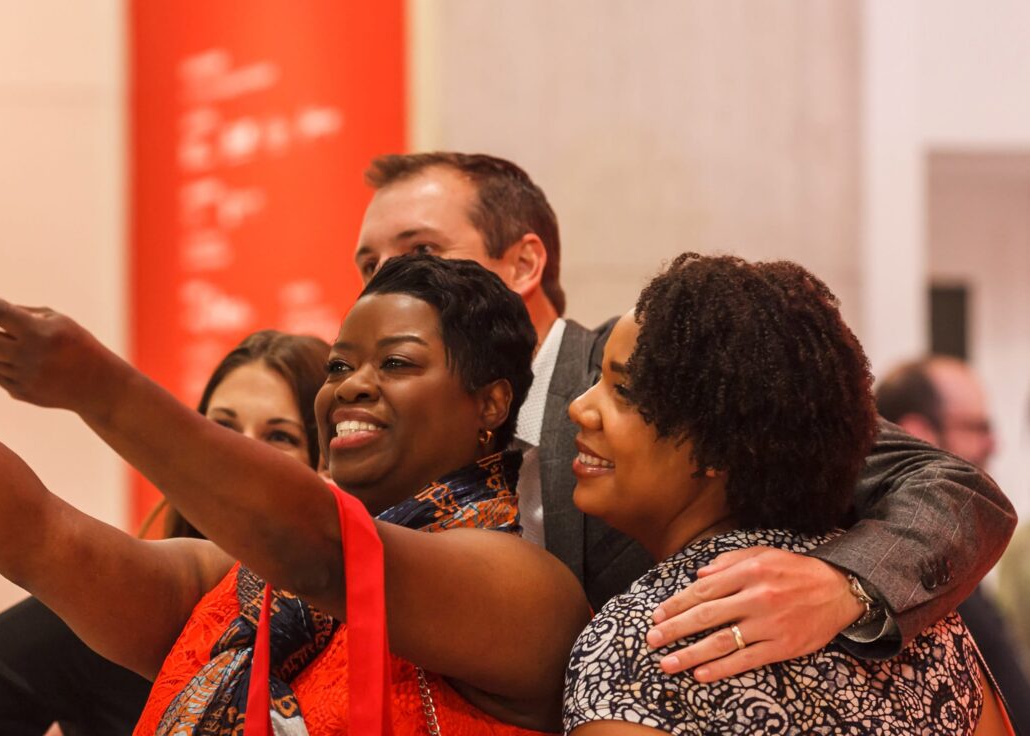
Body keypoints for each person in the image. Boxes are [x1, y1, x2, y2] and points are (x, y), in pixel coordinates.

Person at [0, 216, 591, 734]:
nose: (352, 387)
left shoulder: (522, 585)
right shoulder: (246, 586)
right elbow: (42, 538)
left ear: (490, 402)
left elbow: (332, 555)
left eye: (394, 364)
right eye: (340, 366)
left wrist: (101, 386)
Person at [353, 151, 1016, 679]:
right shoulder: (412, 435)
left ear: (525, 262)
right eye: (368, 264)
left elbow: (956, 489)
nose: (386, 281)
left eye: (419, 253)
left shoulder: (665, 374)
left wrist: (845, 584)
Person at [563, 253, 1008, 734]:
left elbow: (962, 485)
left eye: (623, 391)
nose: (578, 407)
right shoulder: (931, 634)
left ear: (718, 444)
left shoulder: (641, 644)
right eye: (597, 382)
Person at [0, 329, 330, 736]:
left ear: (332, 467)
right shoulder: (135, 603)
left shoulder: (369, 616)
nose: (233, 459)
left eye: (279, 438)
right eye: (218, 429)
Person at [876, 356, 1030, 728]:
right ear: (918, 433)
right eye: (976, 427)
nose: (993, 442)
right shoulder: (900, 564)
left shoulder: (949, 552)